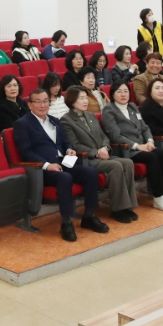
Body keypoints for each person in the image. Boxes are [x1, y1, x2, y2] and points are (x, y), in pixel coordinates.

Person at [13, 89, 109, 242]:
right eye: (38, 101)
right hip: (42, 168)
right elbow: (26, 152)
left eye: (45, 101)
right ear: (30, 105)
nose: (42, 105)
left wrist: (69, 149)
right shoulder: (22, 124)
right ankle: (66, 222)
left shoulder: (54, 120)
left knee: (90, 172)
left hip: (63, 162)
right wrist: (47, 165)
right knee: (64, 177)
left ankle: (89, 216)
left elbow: (65, 142)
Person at [101, 80, 163, 212]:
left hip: (143, 146)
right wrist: (137, 146)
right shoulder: (109, 110)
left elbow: (145, 128)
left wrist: (150, 141)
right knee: (152, 157)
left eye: (126, 91)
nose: (123, 94)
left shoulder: (132, 107)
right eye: (119, 91)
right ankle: (158, 196)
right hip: (125, 150)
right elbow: (115, 136)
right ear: (112, 94)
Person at [61, 86, 137, 223]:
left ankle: (128, 206)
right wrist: (96, 153)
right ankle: (118, 209)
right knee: (115, 166)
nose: (86, 101)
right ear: (72, 100)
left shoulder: (91, 115)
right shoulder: (66, 120)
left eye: (86, 98)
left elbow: (104, 136)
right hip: (86, 159)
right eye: (81, 98)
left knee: (128, 163)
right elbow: (75, 145)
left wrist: (105, 148)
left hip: (102, 154)